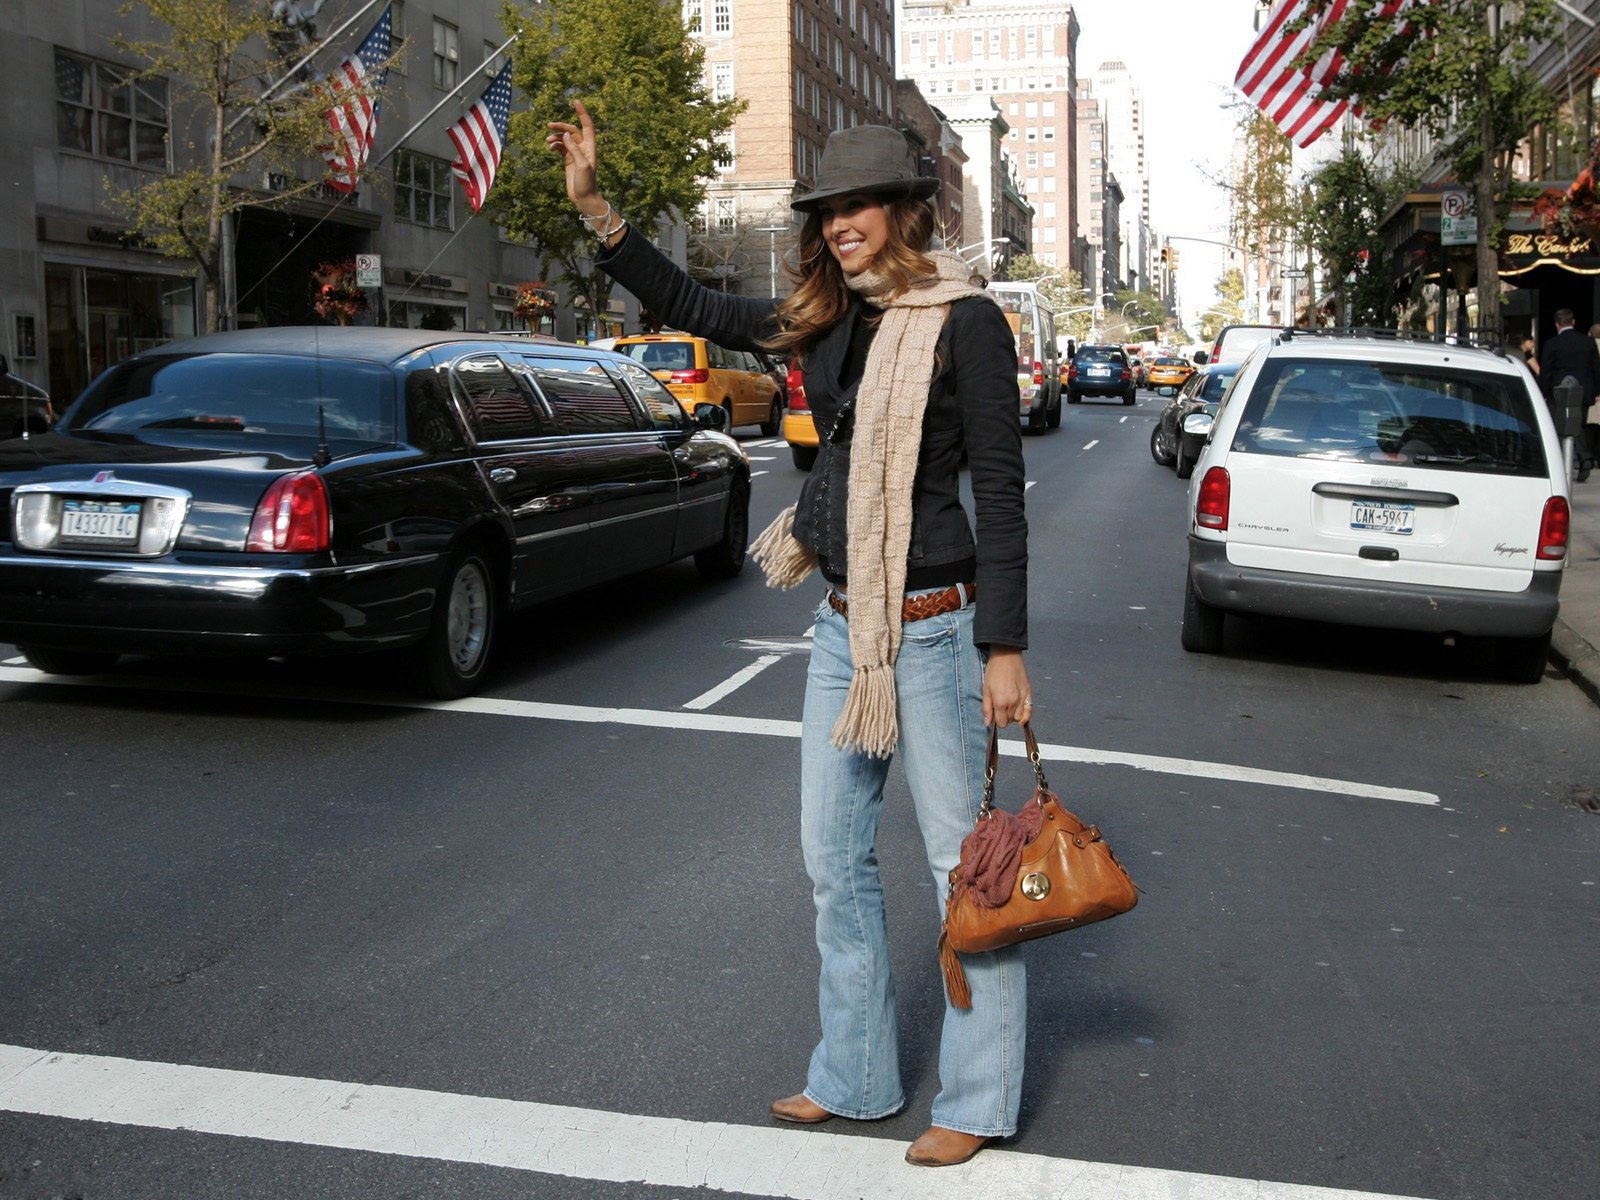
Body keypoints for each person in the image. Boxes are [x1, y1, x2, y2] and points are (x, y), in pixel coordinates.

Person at [547, 104, 1032, 1168]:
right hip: (842, 629)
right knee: (832, 860)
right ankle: (855, 1076)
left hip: (939, 628)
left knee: (964, 872)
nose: (840, 224)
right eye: (826, 210)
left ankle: (980, 1092)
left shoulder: (967, 322)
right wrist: (597, 210)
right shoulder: (826, 317)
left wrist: (1006, 646)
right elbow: (698, 304)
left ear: (904, 211)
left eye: (857, 205)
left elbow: (998, 488)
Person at [1539, 308, 1600, 481]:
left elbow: (1546, 372)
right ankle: (1584, 457)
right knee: (1578, 425)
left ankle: (1571, 460)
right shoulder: (1588, 343)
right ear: (1573, 322)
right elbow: (1596, 368)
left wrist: (1544, 392)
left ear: (1557, 324)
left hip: (1558, 392)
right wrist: (1596, 391)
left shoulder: (1552, 344)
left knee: (1561, 427)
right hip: (1583, 391)